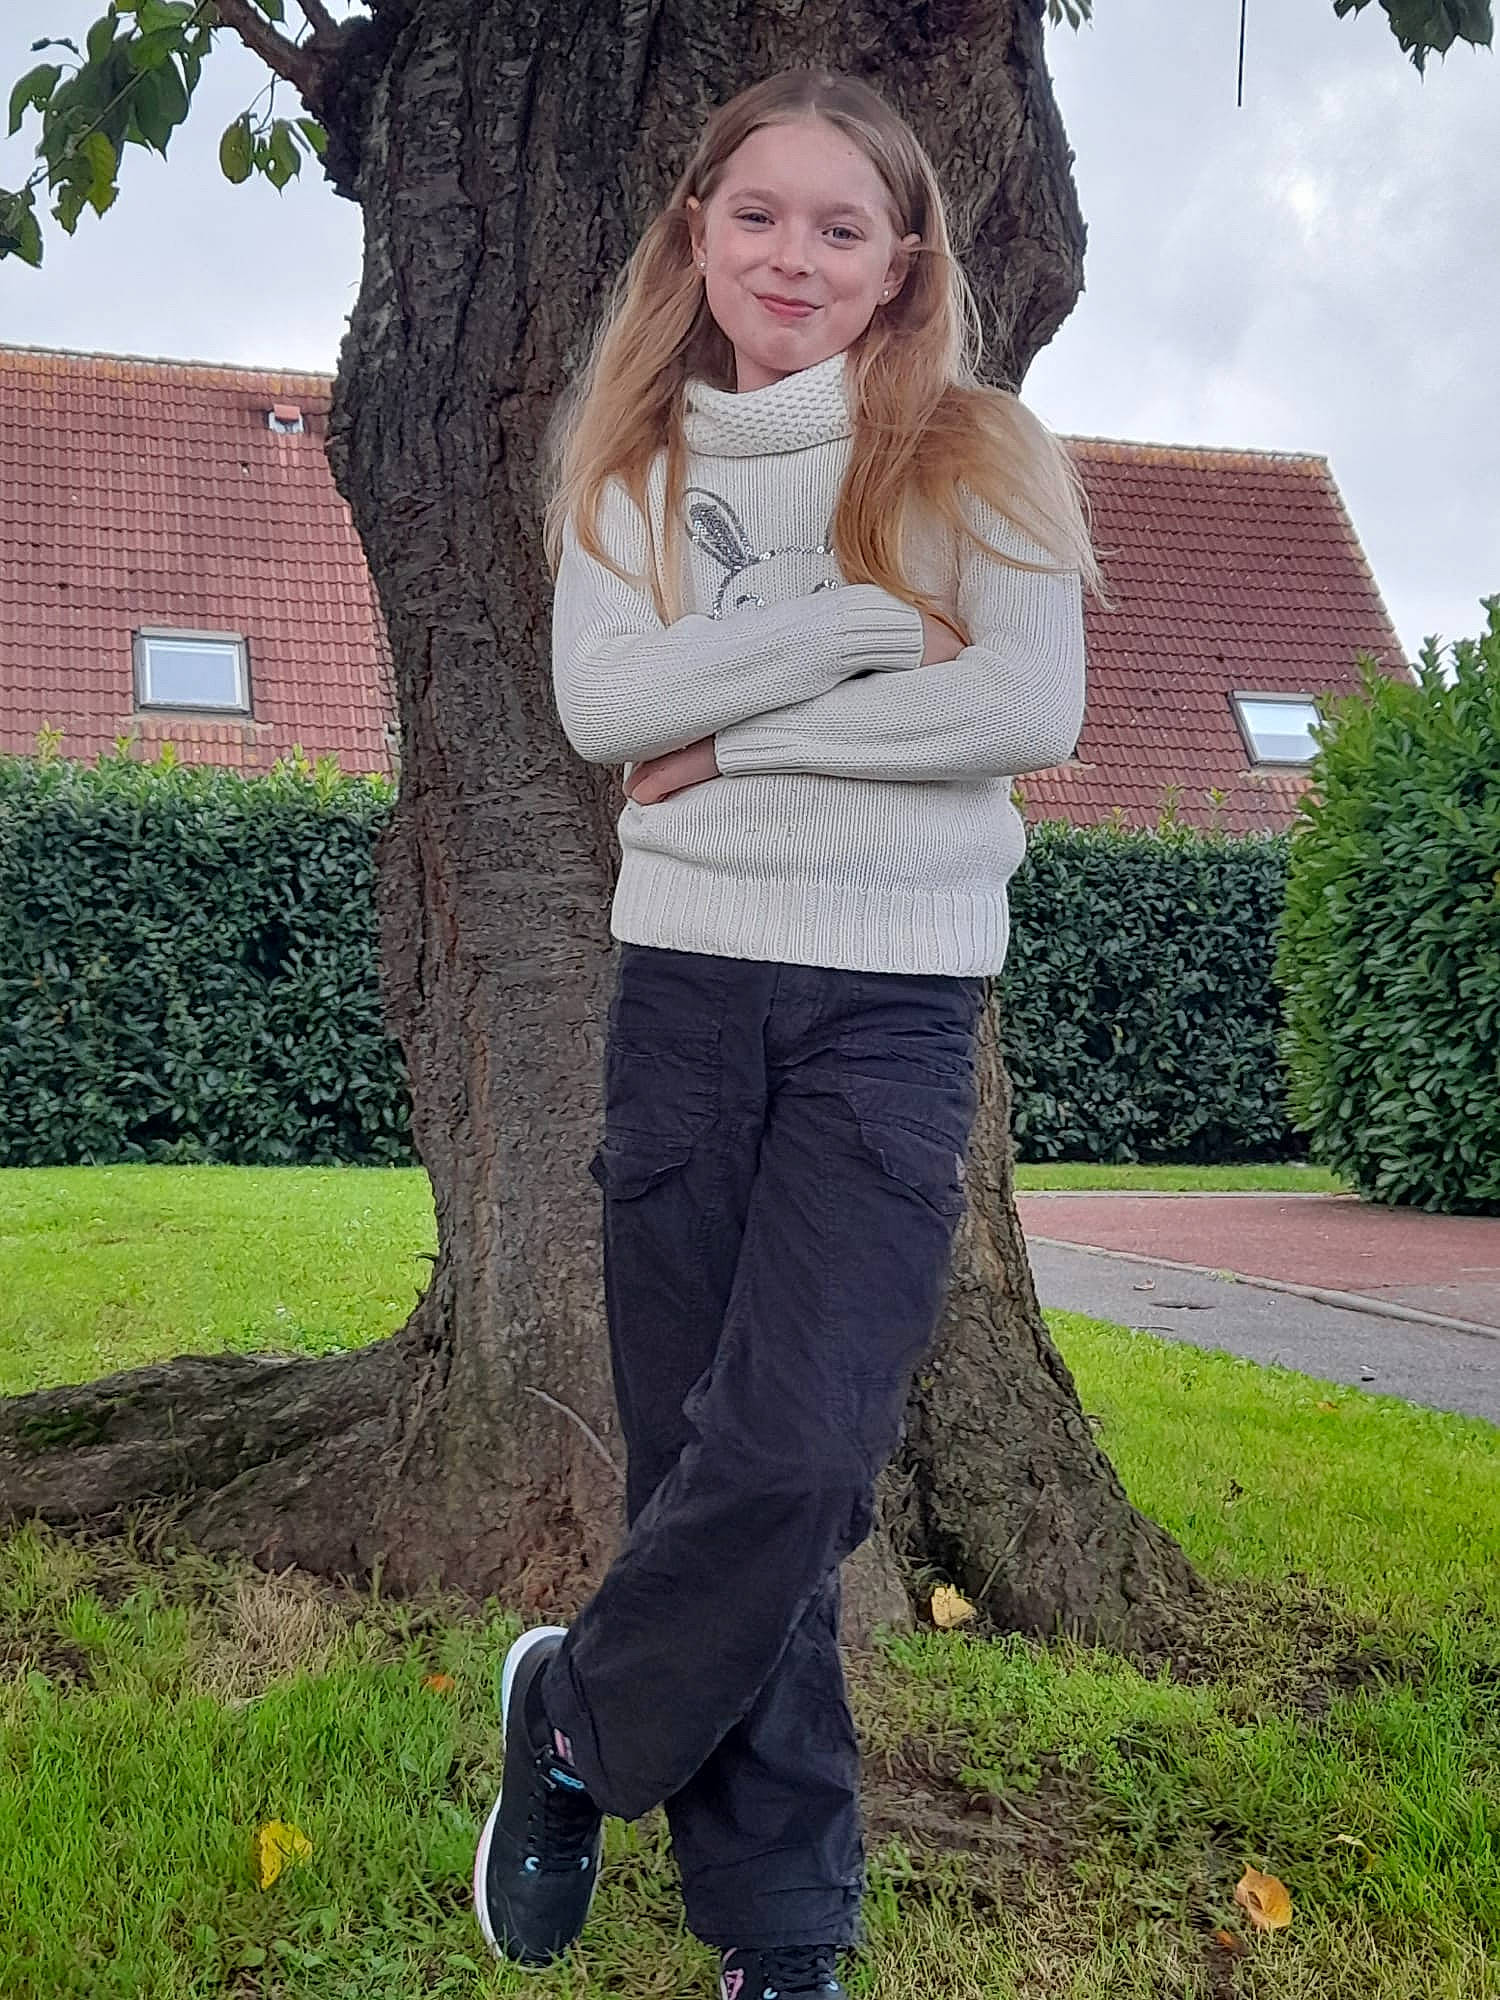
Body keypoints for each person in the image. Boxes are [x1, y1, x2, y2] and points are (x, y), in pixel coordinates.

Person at [473, 64, 1099, 2000]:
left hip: (894, 1010)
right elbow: (600, 714)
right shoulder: (631, 461)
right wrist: (848, 634)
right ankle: (781, 1935)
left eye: (845, 225)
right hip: (688, 995)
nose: (798, 255)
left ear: (906, 259)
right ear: (698, 236)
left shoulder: (977, 453)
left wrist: (729, 721)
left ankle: (575, 1716)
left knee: (808, 1455)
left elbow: (1024, 708)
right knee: (704, 1464)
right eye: (761, 216)